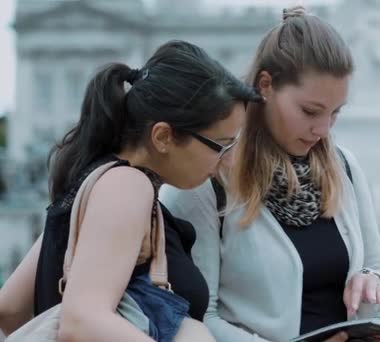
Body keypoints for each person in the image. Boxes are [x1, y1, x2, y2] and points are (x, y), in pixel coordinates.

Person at [0, 40, 262, 341]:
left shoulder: (91, 186)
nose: (229, 159)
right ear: (163, 136)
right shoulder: (128, 186)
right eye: (221, 145)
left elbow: (10, 308)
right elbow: (82, 321)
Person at [161, 7, 380, 342]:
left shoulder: (344, 166)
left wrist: (374, 284)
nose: (323, 129)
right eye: (310, 111)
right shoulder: (208, 176)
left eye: (335, 113)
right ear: (266, 85)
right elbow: (197, 317)